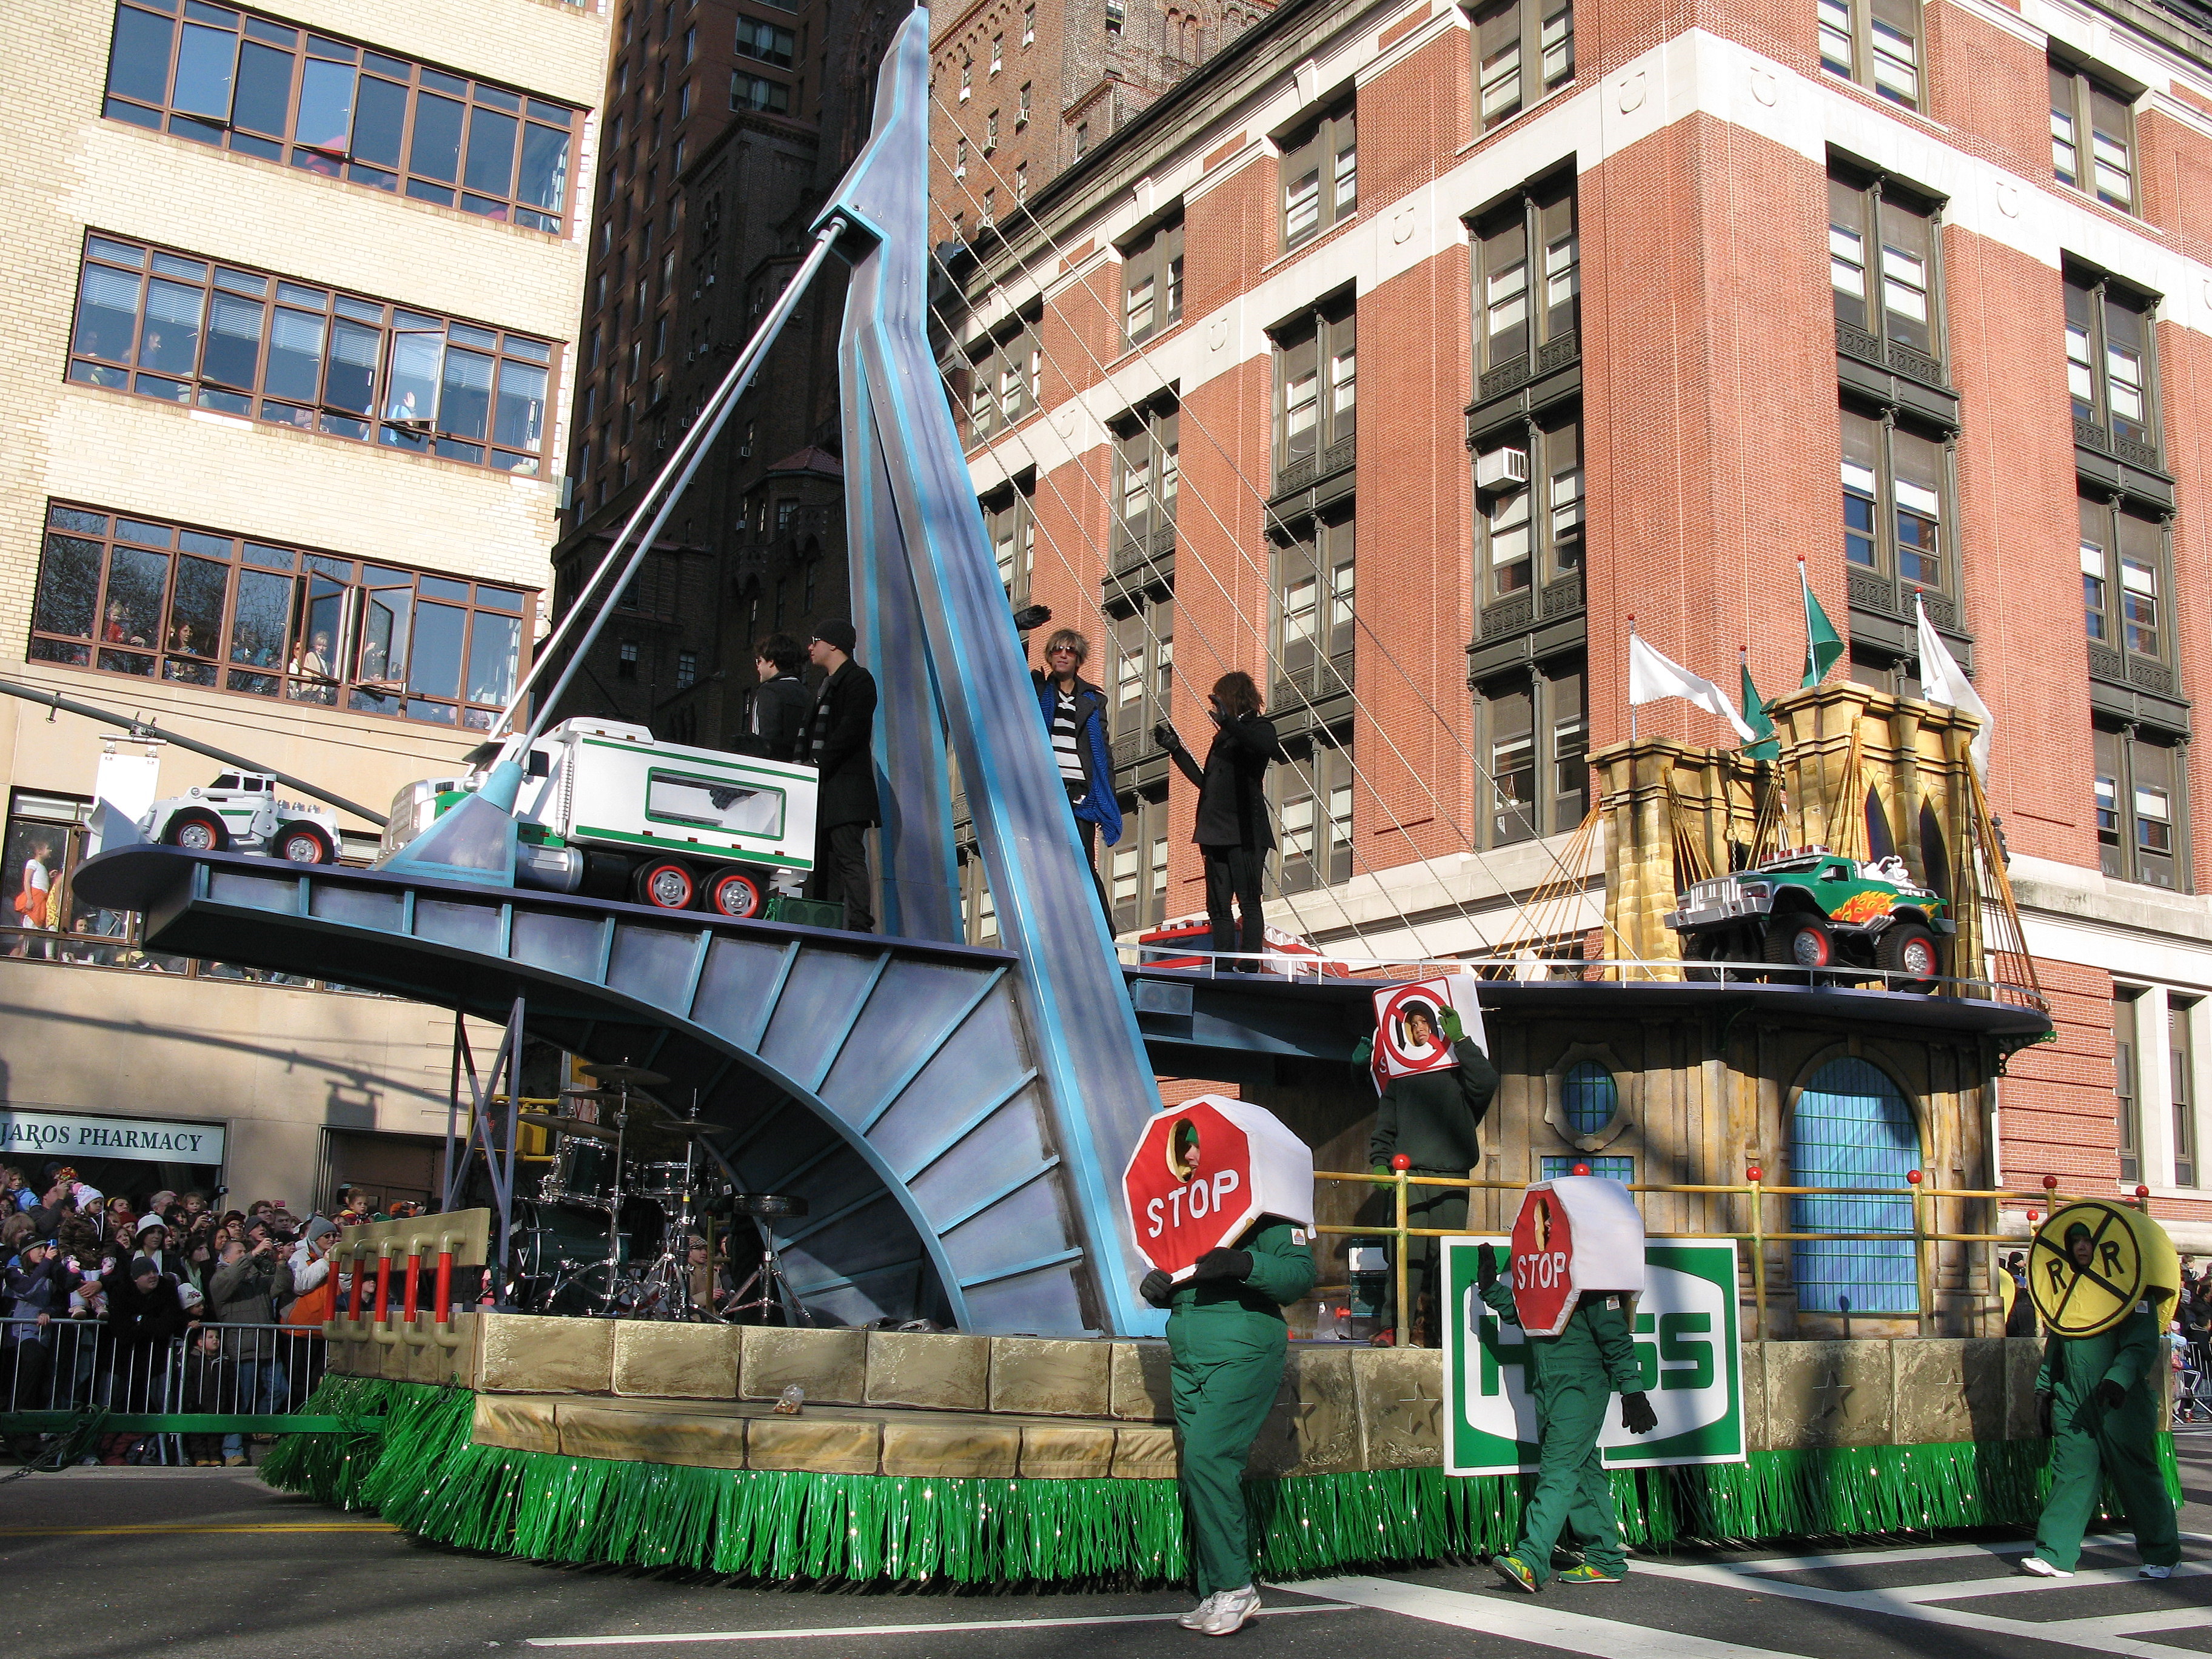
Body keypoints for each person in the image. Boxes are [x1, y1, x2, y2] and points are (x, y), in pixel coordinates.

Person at [1137, 1127, 1315, 1638]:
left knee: (1208, 1458)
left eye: (1198, 1143)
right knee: (1203, 1468)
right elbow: (1180, 1277)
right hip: (1189, 1354)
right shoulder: (1181, 1211)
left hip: (1242, 1349)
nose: (1190, 1155)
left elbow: (1299, 1276)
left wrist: (1244, 1263)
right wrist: (1159, 1290)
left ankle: (1236, 1588)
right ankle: (1216, 1588)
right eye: (1183, 1146)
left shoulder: (1269, 1210)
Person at [1479, 1238, 1658, 1590]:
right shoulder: (1547, 1273)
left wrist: (1632, 1390)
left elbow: (1616, 1337)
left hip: (1580, 1387)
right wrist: (1491, 1289)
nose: (1546, 1225)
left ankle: (1531, 1560)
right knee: (1583, 1470)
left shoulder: (1594, 1275)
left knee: (1558, 1470)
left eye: (1552, 1218)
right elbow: (1527, 1316)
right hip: (1548, 1385)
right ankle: (1605, 1558)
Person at [2021, 1219, 2181, 1580]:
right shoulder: (2064, 1295)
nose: (2081, 1246)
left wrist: (2118, 1380)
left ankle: (2162, 1554)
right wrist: (2045, 1389)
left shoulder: (2134, 1292)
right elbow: (2056, 1346)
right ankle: (2055, 1554)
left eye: (2088, 1240)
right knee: (2071, 1474)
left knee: (2137, 1478)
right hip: (2073, 1400)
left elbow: (2141, 1344)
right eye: (2075, 1240)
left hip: (2119, 1403)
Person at [1361, 1001, 1499, 1346]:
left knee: (1445, 1255)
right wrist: (1381, 1163)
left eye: (1426, 1021)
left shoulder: (1458, 1072)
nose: (1420, 1028)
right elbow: (1385, 1128)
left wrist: (1461, 1040)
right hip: (1409, 1178)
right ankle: (1395, 1326)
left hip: (1450, 1178)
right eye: (1413, 1023)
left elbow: (1487, 1082)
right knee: (1404, 1254)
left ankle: (1444, 1332)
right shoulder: (1401, 1080)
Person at [1155, 673, 1278, 968]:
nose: (1216, 706)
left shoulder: (1258, 727)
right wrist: (1176, 750)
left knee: (1249, 901)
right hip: (1214, 830)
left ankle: (1248, 965)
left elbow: (1266, 748)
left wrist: (1230, 723)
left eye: (1220, 698)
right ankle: (1222, 966)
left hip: (1244, 829)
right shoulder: (1223, 738)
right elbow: (1207, 783)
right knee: (1218, 906)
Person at [795, 620, 879, 933]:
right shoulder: (824, 687)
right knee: (823, 863)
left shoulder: (858, 680)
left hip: (846, 789)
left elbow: (851, 730)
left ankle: (860, 926)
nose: (810, 647)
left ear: (833, 644)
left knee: (848, 857)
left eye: (815, 640)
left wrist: (817, 763)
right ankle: (825, 924)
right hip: (823, 787)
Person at [1031, 628, 1121, 916]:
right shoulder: (1037, 690)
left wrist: (1107, 796)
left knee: (1083, 862)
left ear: (1079, 659)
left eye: (1070, 650)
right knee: (1047, 861)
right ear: (1049, 656)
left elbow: (1103, 750)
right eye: (1057, 650)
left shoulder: (1093, 699)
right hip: (1046, 789)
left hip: (1080, 791)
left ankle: (1104, 929)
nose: (1063, 655)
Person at [739, 633, 809, 762]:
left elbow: (762, 741)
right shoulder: (807, 694)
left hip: (772, 768)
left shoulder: (768, 691)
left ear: (771, 661)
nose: (758, 667)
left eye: (759, 661)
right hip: (801, 767)